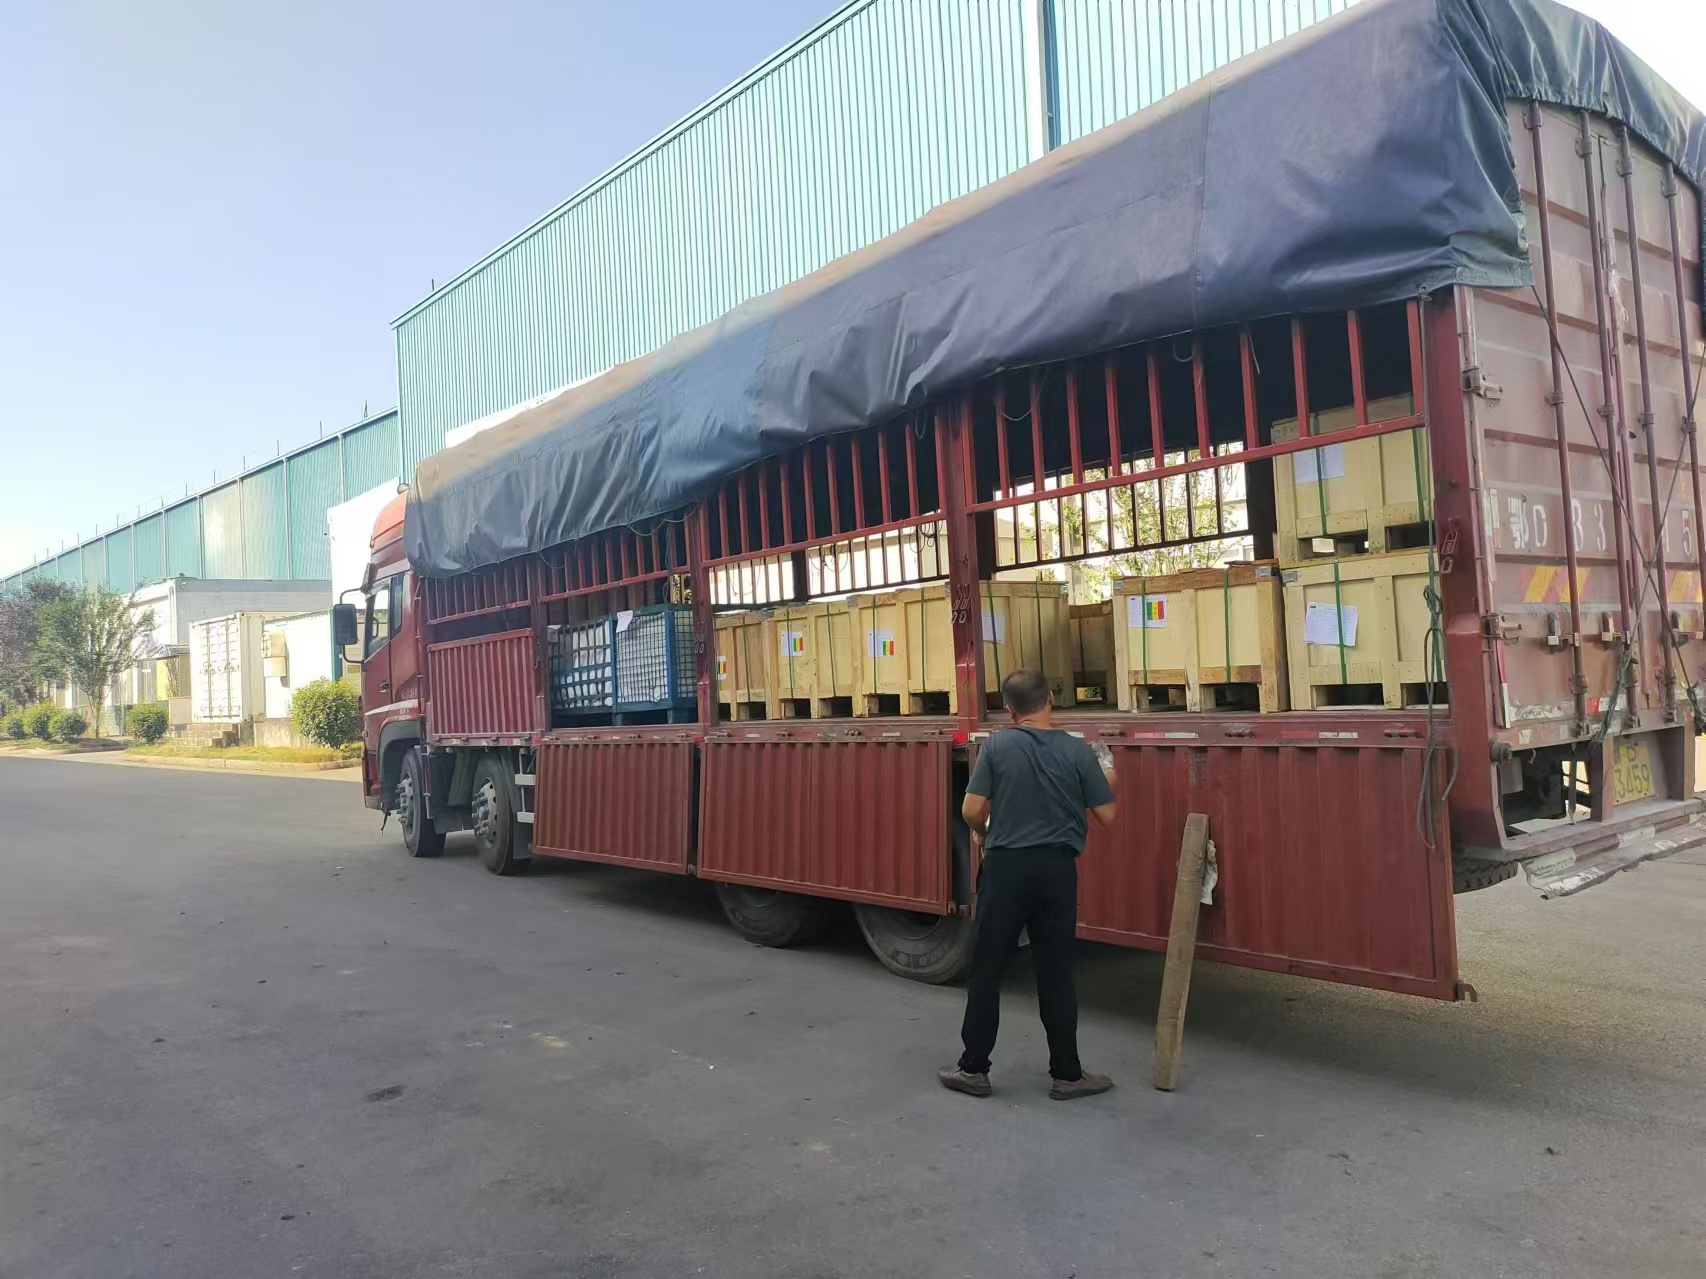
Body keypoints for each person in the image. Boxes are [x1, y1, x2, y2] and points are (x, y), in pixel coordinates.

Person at [939, 668, 1118, 1101]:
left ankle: (973, 1069)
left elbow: (971, 810)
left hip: (1006, 870)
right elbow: (1107, 815)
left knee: (988, 968)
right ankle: (1067, 1075)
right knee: (1056, 972)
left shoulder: (998, 745)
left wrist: (983, 832)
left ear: (1008, 709)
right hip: (1056, 872)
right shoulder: (1078, 752)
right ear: (1051, 699)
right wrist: (1105, 778)